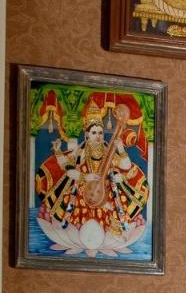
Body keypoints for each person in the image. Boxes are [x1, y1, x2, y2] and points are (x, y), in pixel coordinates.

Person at [34, 104, 149, 256]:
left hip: (105, 193)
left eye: (101, 132)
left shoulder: (108, 151)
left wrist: (120, 149)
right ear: (87, 135)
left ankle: (111, 234)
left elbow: (125, 165)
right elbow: (67, 170)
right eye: (94, 132)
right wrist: (83, 175)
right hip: (83, 194)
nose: (99, 136)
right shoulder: (81, 152)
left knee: (115, 208)